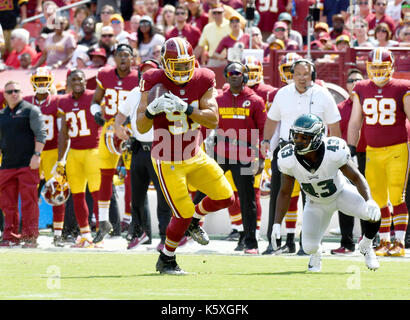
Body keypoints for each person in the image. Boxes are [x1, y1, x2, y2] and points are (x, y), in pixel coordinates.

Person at [136, 37, 234, 274]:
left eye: (186, 64)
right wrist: (150, 110)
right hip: (167, 159)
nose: (182, 70)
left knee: (226, 197)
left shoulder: (204, 77)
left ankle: (193, 221)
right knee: (182, 213)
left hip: (195, 154)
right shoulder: (152, 79)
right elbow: (140, 127)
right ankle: (167, 258)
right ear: (164, 63)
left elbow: (213, 119)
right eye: (176, 65)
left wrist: (187, 108)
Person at [273, 113, 381, 272]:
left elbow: (357, 177)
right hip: (315, 203)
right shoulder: (288, 158)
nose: (298, 141)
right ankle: (316, 253)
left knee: (374, 213)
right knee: (308, 247)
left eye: (304, 137)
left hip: (341, 194)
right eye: (295, 136)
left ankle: (366, 245)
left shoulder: (333, 150)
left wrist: (369, 199)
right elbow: (284, 192)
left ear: (316, 137)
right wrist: (276, 222)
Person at [261, 59, 342, 255]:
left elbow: (335, 126)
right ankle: (275, 242)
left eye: (306, 74)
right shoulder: (283, 94)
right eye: (298, 74)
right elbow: (272, 120)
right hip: (287, 149)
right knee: (279, 196)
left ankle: (309, 244)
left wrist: (337, 151)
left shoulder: (323, 95)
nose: (302, 78)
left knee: (312, 199)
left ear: (312, 74)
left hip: (315, 153)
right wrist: (265, 141)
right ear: (292, 75)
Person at [347, 47, 410, 257]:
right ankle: (383, 240)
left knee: (396, 193)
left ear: (391, 66)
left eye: (381, 66)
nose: (377, 71)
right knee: (378, 198)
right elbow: (355, 122)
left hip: (398, 148)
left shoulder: (402, 87)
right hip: (373, 151)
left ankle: (399, 242)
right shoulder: (362, 88)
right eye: (373, 66)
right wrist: (350, 148)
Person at [114, 59, 172, 250]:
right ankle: (141, 233)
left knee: (164, 196)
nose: (148, 76)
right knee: (137, 196)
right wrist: (118, 127)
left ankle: (165, 237)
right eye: (144, 72)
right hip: (139, 148)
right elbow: (121, 114)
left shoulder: (166, 92)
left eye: (152, 72)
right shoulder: (134, 92)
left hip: (160, 148)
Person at [89, 43, 140, 244]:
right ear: (114, 57)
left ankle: (130, 220)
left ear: (133, 58)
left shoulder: (138, 76)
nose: (123, 59)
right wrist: (95, 113)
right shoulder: (104, 74)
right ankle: (103, 221)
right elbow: (95, 100)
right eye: (120, 55)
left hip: (130, 128)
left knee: (132, 176)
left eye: (127, 55)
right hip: (109, 127)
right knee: (105, 175)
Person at [57, 69, 102, 248]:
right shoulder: (63, 102)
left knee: (99, 195)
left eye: (80, 78)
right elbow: (63, 134)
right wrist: (61, 159)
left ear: (85, 81)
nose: (77, 81)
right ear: (68, 82)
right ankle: (85, 235)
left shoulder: (94, 96)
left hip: (93, 151)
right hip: (74, 153)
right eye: (73, 79)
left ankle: (100, 234)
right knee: (77, 195)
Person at [23, 67, 67, 247]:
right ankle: (30, 233)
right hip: (31, 152)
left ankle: (58, 234)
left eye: (44, 80)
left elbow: (63, 132)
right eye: (38, 80)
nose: (41, 83)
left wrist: (61, 158)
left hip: (51, 151)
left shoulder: (57, 101)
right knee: (30, 193)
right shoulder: (25, 101)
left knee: (58, 192)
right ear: (33, 81)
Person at [0, 80, 46, 248]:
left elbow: (41, 133)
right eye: (10, 91)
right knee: (7, 203)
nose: (13, 94)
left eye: (16, 91)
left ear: (21, 92)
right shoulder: (2, 114)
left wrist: (37, 155)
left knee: (29, 202)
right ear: (4, 95)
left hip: (28, 164)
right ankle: (10, 236)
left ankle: (30, 236)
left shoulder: (30, 110)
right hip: (7, 165)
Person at [331, 68, 367, 255]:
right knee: (344, 198)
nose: (354, 83)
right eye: (351, 80)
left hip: (367, 155)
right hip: (345, 159)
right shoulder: (339, 108)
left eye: (358, 80)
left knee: (367, 197)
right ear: (346, 85)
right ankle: (346, 242)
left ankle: (369, 238)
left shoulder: (369, 104)